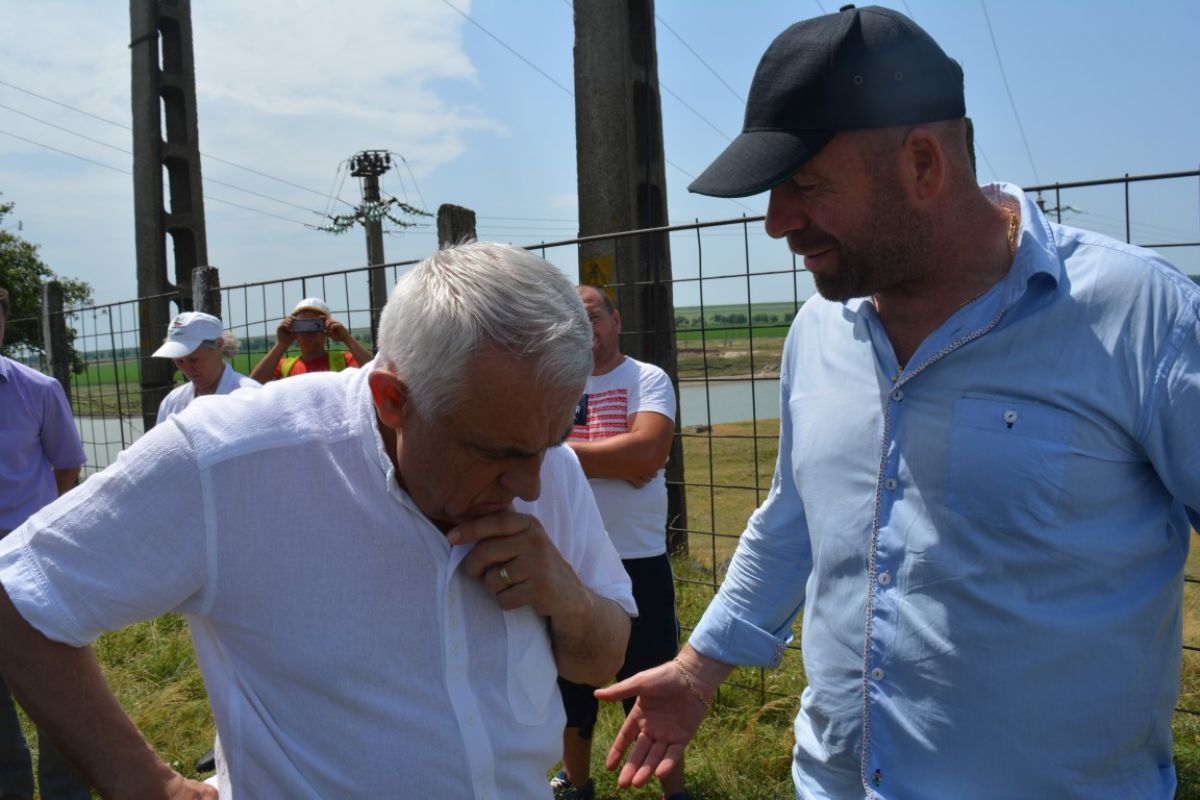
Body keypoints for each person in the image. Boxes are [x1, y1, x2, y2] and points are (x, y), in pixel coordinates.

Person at [599, 6, 1200, 800]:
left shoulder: (1143, 318)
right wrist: (696, 670)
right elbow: (793, 517)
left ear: (923, 163)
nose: (777, 222)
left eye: (805, 185)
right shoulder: (818, 330)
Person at [0, 242, 636, 799]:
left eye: (551, 442)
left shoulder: (537, 456)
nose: (531, 485)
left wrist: (570, 599)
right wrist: (148, 786)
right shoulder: (232, 458)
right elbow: (19, 596)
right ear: (393, 400)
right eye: (496, 454)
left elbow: (599, 663)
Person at [551, 285, 687, 800]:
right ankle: (576, 783)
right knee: (571, 682)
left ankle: (675, 791)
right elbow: (533, 452)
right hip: (572, 561)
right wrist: (618, 457)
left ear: (616, 320)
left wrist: (559, 452)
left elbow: (648, 451)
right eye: (571, 319)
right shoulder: (555, 384)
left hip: (638, 560)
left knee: (652, 680)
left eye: (592, 316)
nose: (584, 328)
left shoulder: (646, 378)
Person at [0, 287, 90, 800]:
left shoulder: (38, 389)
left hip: (28, 550)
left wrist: (32, 525)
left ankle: (65, 791)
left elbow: (66, 465)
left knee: (57, 676)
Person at [152, 311, 260, 424]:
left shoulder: (251, 397)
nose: (186, 369)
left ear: (219, 345)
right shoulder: (172, 403)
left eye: (193, 360)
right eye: (179, 361)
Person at [248, 296, 373, 381]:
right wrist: (281, 344)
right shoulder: (284, 366)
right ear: (294, 329)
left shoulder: (345, 360)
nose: (309, 332)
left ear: (326, 329)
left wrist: (347, 338)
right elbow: (253, 384)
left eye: (315, 324)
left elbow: (375, 370)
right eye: (303, 325)